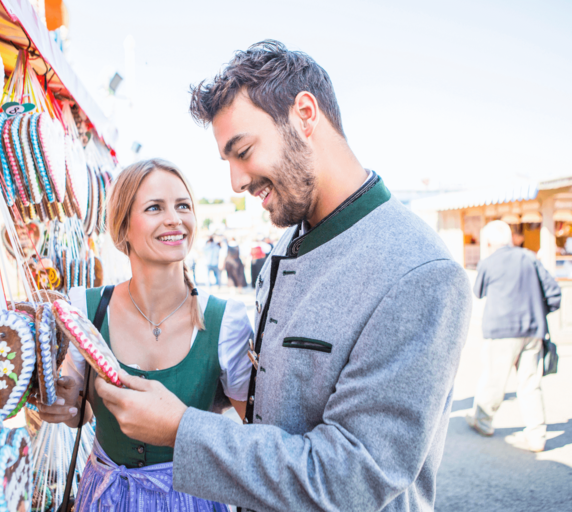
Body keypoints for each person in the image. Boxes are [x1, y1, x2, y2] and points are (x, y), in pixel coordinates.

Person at [92, 41, 472, 511]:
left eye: (244, 150)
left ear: (305, 115)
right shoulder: (284, 246)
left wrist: (180, 428)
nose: (235, 182)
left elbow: (352, 478)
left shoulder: (418, 272)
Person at [36, 158, 253, 511]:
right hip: (105, 495)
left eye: (183, 206)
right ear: (123, 229)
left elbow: (254, 435)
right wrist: (60, 406)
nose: (174, 219)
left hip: (193, 498)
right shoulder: (86, 308)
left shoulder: (226, 321)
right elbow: (81, 413)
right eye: (155, 207)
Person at [466, 220, 560, 452]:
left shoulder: (488, 263)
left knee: (494, 380)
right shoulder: (528, 257)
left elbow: (477, 292)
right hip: (532, 330)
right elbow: (554, 292)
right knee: (530, 384)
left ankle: (484, 422)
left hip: (501, 331)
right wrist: (540, 311)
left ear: (488, 242)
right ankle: (537, 435)